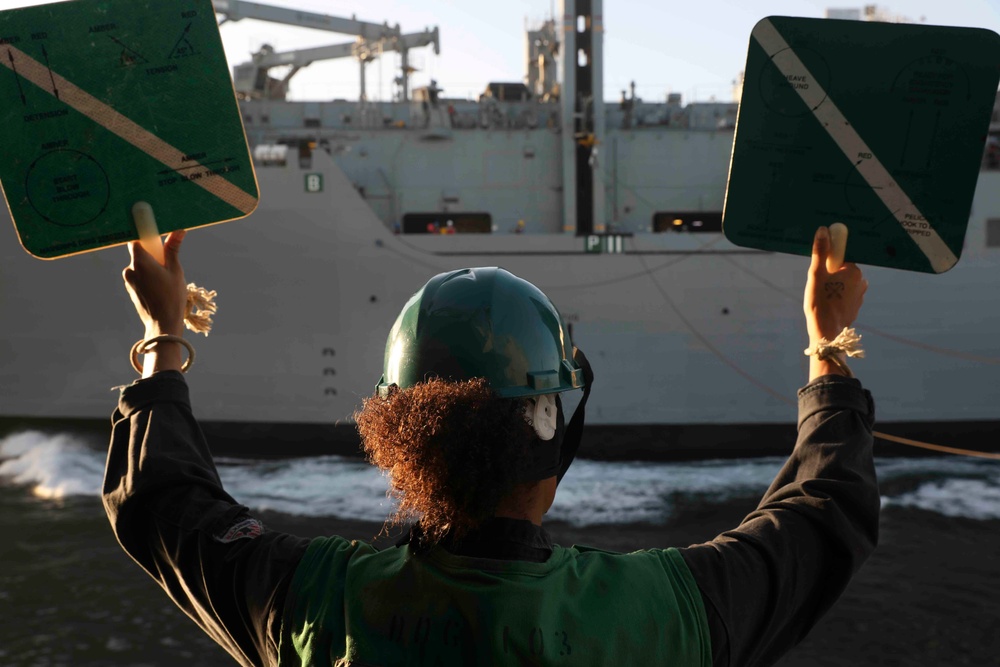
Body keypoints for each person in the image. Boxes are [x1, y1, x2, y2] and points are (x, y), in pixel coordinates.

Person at [105, 225, 876, 666]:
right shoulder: (662, 615)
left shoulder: (317, 603)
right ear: (550, 427)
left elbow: (164, 504)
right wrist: (826, 345)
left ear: (395, 435)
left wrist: (162, 336)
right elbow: (823, 513)